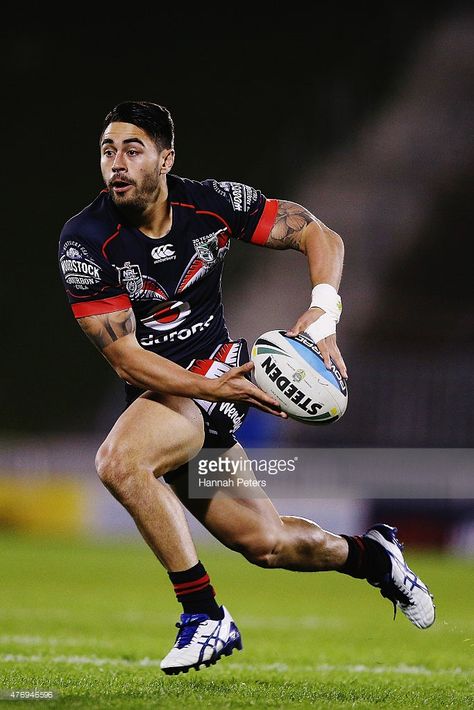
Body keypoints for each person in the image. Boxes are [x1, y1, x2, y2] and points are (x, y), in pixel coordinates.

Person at [58, 101, 435, 675]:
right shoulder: (86, 239)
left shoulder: (208, 204)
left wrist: (324, 314)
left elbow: (318, 234)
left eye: (133, 151)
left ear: (166, 158)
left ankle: (203, 614)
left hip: (210, 385)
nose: (116, 164)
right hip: (179, 390)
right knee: (268, 543)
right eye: (108, 151)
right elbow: (127, 359)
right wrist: (220, 390)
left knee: (120, 462)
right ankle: (373, 558)